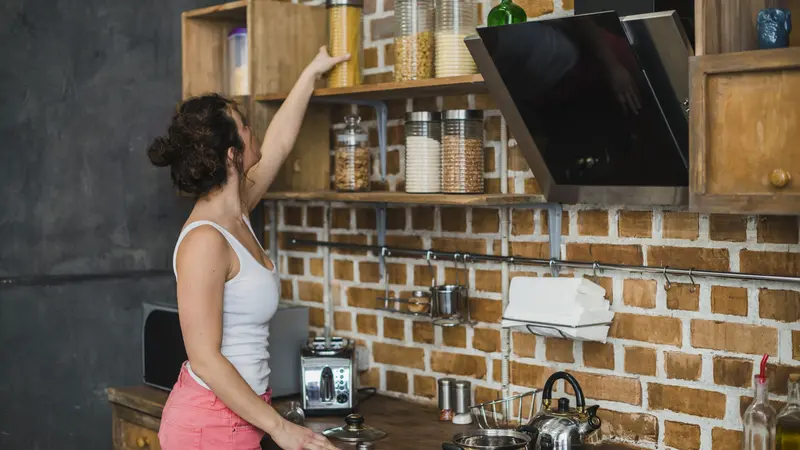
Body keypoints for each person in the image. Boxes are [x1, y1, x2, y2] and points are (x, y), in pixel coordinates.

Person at [147, 47, 348, 450]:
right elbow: (204, 358)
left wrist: (312, 72)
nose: (253, 129)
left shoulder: (238, 213)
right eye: (244, 126)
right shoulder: (206, 240)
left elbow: (278, 143)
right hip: (207, 425)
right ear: (232, 155)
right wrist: (280, 427)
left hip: (241, 417)